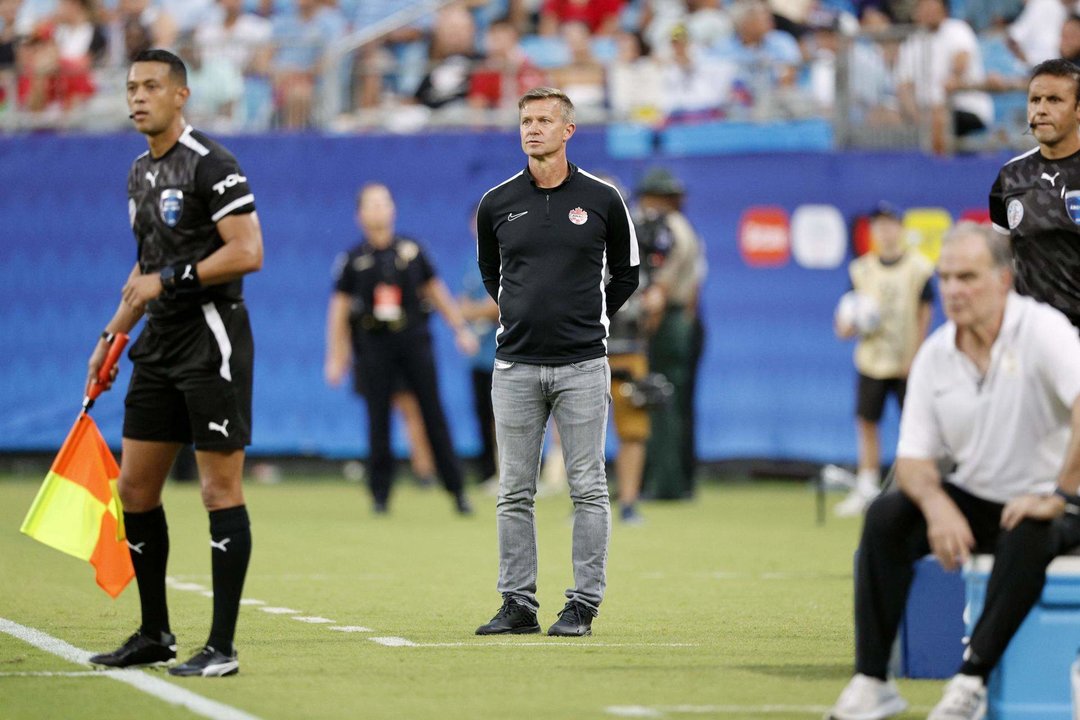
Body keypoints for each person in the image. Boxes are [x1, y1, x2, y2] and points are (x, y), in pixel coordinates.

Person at [827, 223, 1080, 720]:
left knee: (1031, 526)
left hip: (1057, 504)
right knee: (887, 516)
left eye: (967, 276)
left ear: (1004, 279)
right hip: (980, 501)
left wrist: (1061, 493)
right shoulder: (937, 354)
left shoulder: (1043, 329)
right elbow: (913, 459)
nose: (953, 290)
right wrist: (938, 505)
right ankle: (873, 681)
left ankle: (970, 680)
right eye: (945, 278)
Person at [87, 49, 263, 677]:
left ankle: (222, 647)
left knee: (218, 488)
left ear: (181, 95)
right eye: (131, 86)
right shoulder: (139, 171)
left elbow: (248, 251)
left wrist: (173, 279)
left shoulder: (212, 164)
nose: (138, 96)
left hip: (210, 339)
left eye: (152, 86)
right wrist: (112, 335)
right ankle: (155, 632)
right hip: (156, 344)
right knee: (134, 489)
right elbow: (146, 265)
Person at [474, 86, 639, 637]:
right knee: (513, 489)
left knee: (587, 485)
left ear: (569, 130)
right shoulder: (496, 203)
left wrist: (590, 319)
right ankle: (517, 603)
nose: (533, 129)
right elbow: (490, 274)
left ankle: (583, 605)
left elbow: (627, 272)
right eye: (526, 120)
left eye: (544, 120)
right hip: (515, 364)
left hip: (582, 366)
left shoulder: (602, 198)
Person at [325, 183, 477, 515]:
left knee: (433, 413)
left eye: (384, 203)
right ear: (359, 215)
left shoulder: (412, 251)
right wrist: (337, 355)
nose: (379, 209)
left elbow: (436, 292)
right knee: (377, 418)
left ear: (393, 210)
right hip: (372, 344)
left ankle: (457, 490)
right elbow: (338, 310)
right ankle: (380, 495)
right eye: (371, 204)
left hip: (413, 340)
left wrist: (460, 329)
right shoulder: (353, 261)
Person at [833, 202, 934, 517]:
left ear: (900, 228)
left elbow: (924, 310)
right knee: (867, 422)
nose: (884, 231)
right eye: (878, 225)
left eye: (890, 224)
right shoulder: (861, 269)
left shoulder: (918, 268)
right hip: (872, 360)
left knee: (913, 426)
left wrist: (915, 355)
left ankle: (912, 487)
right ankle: (867, 487)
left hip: (905, 362)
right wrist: (848, 327)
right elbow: (846, 317)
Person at [989, 58, 1080, 332]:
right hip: (1030, 339)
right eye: (1035, 100)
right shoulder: (1010, 177)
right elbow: (999, 261)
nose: (1041, 110)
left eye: (1054, 100)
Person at [634, 167, 702, 502]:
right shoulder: (684, 228)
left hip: (666, 322)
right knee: (674, 401)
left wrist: (647, 327)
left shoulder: (667, 230)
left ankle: (665, 484)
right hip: (680, 320)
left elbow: (659, 290)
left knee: (661, 399)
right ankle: (672, 481)